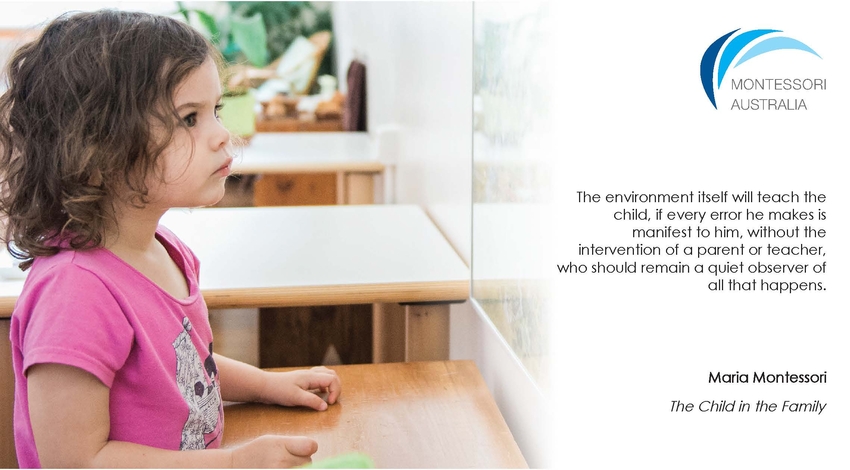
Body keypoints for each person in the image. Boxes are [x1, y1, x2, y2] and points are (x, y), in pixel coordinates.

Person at [0, 10, 341, 468]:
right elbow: (76, 461)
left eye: (214, 112)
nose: (223, 136)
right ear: (98, 148)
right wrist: (236, 464)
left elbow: (184, 372)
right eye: (188, 118)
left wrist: (266, 384)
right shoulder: (75, 292)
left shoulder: (164, 248)